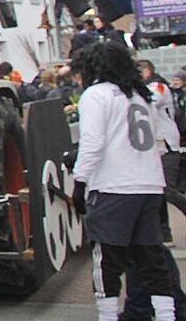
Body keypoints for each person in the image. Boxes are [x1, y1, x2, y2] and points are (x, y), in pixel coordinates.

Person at [72, 40, 178, 321]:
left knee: (107, 261)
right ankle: (166, 315)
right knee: (152, 259)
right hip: (149, 184)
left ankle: (107, 316)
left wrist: (80, 180)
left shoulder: (96, 95)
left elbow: (93, 142)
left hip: (114, 186)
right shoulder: (141, 95)